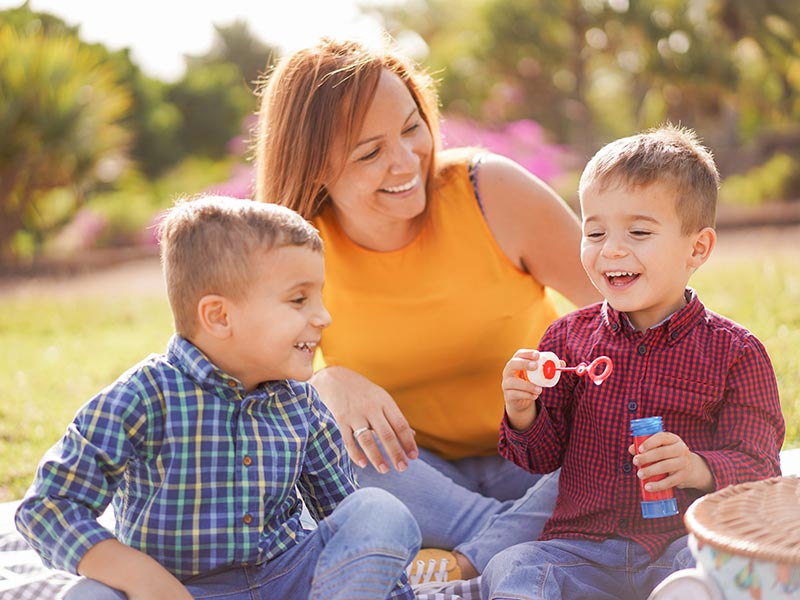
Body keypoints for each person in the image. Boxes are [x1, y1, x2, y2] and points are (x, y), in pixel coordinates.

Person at [252, 36, 601, 584]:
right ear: (314, 167)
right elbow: (252, 396)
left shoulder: (491, 192)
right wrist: (326, 382)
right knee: (319, 448)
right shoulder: (294, 247)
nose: (405, 161)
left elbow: (632, 316)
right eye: (369, 152)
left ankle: (467, 560)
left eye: (412, 127)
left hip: (545, 458)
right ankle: (518, 535)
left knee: (617, 436)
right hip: (419, 480)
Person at [15, 196, 420, 600]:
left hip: (290, 580)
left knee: (380, 512)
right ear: (219, 316)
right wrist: (145, 580)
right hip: (178, 590)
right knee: (88, 595)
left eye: (319, 296)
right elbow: (47, 509)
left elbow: (346, 521)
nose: (323, 316)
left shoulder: (302, 405)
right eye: (299, 299)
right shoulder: (142, 397)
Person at [487, 124, 786, 600]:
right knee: (513, 566)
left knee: (715, 573)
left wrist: (695, 467)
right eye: (595, 231)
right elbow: (540, 458)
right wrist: (524, 413)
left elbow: (761, 467)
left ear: (698, 248)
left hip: (680, 544)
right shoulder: (567, 339)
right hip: (583, 551)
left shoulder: (736, 353)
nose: (612, 249)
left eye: (639, 232)